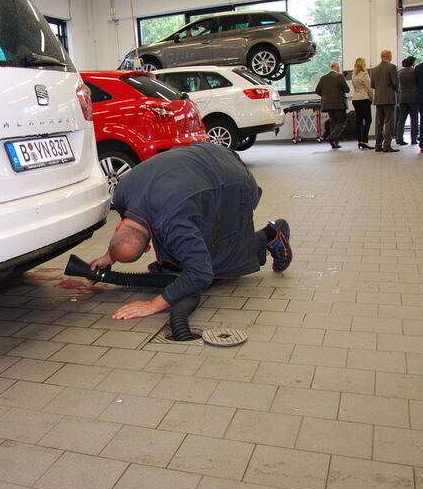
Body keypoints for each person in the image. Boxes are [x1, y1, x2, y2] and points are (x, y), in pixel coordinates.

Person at [88, 142, 292, 320]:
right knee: (193, 249)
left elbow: (201, 273)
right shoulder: (122, 191)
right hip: (211, 155)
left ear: (148, 247)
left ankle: (272, 235)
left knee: (220, 261)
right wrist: (110, 256)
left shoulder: (172, 223)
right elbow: (127, 235)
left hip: (233, 181)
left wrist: (153, 305)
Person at [315, 61, 350, 149]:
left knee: (333, 123)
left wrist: (326, 96)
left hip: (327, 104)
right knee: (342, 121)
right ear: (337, 68)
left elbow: (317, 91)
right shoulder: (339, 77)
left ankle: (334, 144)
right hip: (339, 104)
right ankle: (331, 138)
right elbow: (347, 89)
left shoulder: (323, 78)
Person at [372, 49, 399, 152]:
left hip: (378, 98)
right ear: (389, 56)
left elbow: (373, 85)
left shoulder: (375, 69)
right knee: (388, 121)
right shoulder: (392, 67)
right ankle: (387, 145)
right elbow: (395, 83)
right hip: (389, 98)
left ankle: (378, 145)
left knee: (379, 122)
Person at [351, 57, 374, 149]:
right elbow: (369, 88)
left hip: (355, 99)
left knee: (359, 121)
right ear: (363, 64)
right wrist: (372, 98)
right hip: (364, 98)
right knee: (368, 120)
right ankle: (365, 141)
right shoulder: (364, 74)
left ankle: (360, 141)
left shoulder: (353, 74)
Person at [395, 56, 418, 146]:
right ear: (412, 63)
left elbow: (396, 85)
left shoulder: (400, 72)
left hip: (402, 98)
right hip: (413, 98)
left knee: (401, 120)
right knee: (414, 120)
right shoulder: (415, 72)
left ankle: (399, 138)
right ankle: (414, 139)